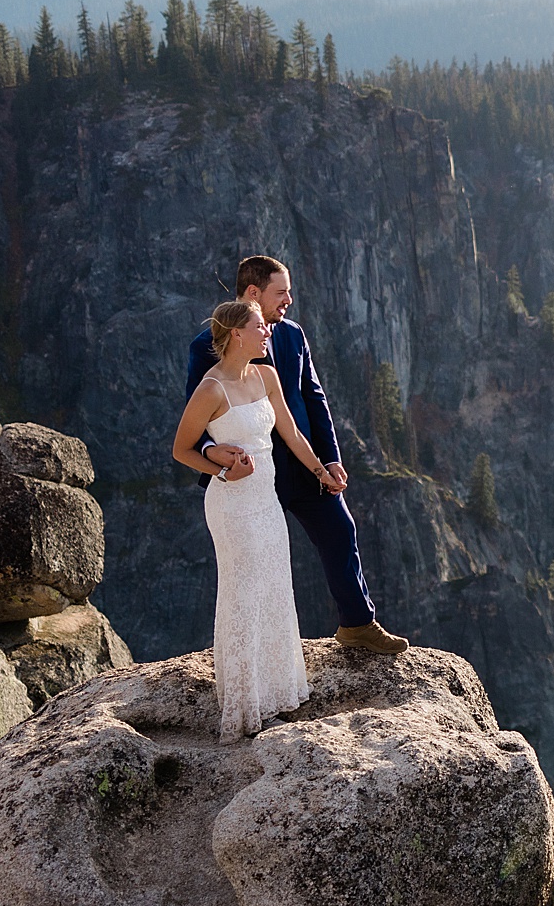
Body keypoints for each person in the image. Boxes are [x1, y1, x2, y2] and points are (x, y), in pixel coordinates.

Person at [186, 254, 409, 657]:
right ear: (253, 293)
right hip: (249, 473)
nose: (289, 299)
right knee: (254, 569)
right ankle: (250, 656)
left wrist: (331, 458)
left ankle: (358, 624)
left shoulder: (292, 335)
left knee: (341, 531)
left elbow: (313, 398)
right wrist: (212, 452)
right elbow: (195, 411)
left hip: (303, 464)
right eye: (281, 292)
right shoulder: (207, 346)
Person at [171, 299, 340, 739]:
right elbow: (181, 449)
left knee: (274, 586)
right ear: (237, 335)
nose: (269, 333)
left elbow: (292, 433)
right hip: (232, 504)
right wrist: (222, 467)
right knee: (243, 592)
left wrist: (323, 472)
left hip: (266, 498)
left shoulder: (266, 375)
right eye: (261, 327)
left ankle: (275, 693)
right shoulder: (211, 389)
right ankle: (244, 703)